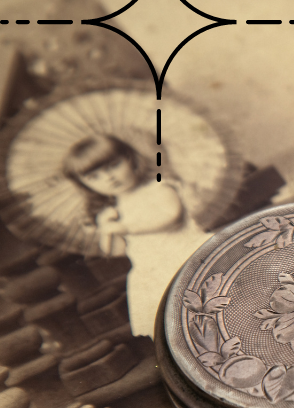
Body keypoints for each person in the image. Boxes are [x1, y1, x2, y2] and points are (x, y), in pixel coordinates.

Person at [63, 134, 210, 337]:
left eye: (113, 166)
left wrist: (125, 227)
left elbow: (170, 216)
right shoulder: (115, 209)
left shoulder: (158, 187)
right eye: (94, 177)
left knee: (210, 308)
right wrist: (106, 228)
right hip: (153, 272)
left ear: (130, 158)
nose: (108, 178)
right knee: (182, 327)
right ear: (84, 185)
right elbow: (117, 250)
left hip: (185, 255)